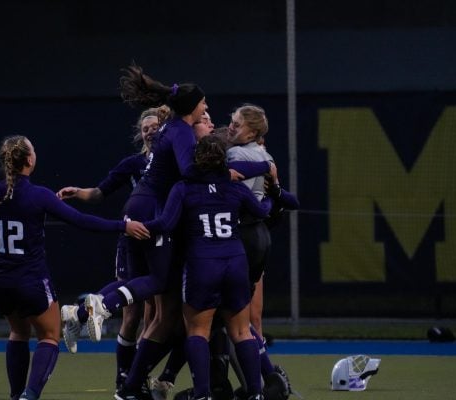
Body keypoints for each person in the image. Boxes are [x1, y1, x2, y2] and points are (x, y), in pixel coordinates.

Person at [0, 135, 149, 400]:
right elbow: (82, 221)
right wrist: (122, 226)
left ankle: (15, 395)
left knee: (18, 332)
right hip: (30, 279)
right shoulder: (38, 195)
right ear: (30, 160)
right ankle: (29, 395)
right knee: (49, 336)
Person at [144, 135, 272, 400]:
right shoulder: (235, 187)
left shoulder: (184, 188)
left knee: (198, 331)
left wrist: (136, 226)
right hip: (235, 261)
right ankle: (257, 394)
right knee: (240, 331)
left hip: (202, 263)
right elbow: (261, 212)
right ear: (223, 160)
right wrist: (272, 199)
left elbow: (166, 224)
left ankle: (202, 394)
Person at [56, 106, 167, 392]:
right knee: (133, 311)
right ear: (139, 134)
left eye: (155, 126)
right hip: (134, 235)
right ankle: (125, 377)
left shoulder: (172, 160)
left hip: (160, 236)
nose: (150, 131)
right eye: (145, 128)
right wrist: (79, 192)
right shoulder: (133, 164)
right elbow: (100, 192)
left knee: (156, 313)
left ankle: (137, 376)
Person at [225, 104, 298, 399]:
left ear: (253, 131)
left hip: (240, 235)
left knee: (229, 320)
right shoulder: (266, 156)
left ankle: (261, 382)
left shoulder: (235, 155)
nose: (231, 127)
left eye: (237, 124)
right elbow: (282, 201)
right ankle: (263, 379)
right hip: (259, 237)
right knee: (241, 317)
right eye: (231, 121)